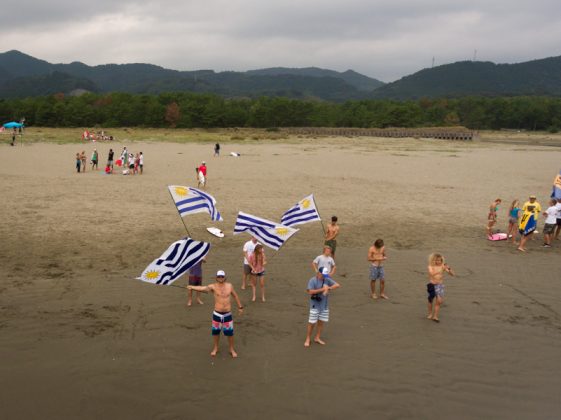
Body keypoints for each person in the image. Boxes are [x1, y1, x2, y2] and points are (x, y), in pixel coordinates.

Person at [187, 270, 243, 358]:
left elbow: (235, 296)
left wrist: (240, 307)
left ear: (225, 277)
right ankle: (216, 348)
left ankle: (231, 349)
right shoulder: (213, 286)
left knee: (230, 334)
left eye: (222, 276)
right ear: (216, 277)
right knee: (216, 333)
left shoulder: (229, 286)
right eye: (219, 276)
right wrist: (192, 287)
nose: (220, 278)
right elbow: (203, 288)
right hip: (217, 314)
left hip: (227, 314)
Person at [304, 267, 341, 347]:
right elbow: (310, 291)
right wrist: (322, 289)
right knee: (312, 323)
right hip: (315, 305)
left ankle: (317, 337)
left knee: (321, 322)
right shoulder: (312, 280)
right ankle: (308, 338)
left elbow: (337, 285)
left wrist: (329, 288)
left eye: (325, 275)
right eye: (323, 274)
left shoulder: (327, 279)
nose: (324, 276)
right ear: (318, 273)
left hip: (324, 306)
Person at [426, 253, 455, 323]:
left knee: (439, 301)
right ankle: (430, 314)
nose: (438, 262)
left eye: (440, 260)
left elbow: (453, 274)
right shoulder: (430, 266)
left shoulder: (442, 266)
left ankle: (435, 316)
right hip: (432, 285)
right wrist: (441, 269)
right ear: (434, 260)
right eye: (437, 260)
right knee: (430, 300)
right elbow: (432, 274)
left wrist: (449, 268)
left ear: (442, 260)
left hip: (439, 285)